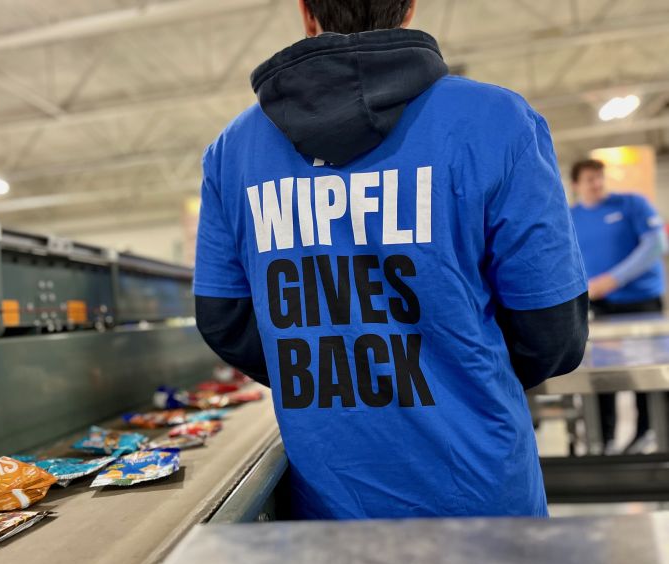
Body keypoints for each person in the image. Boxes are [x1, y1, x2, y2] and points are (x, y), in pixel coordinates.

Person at [194, 0, 588, 519]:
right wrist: (456, 366)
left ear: (307, 12)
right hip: (480, 491)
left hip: (333, 499)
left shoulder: (234, 151)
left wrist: (327, 367)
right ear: (409, 8)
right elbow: (554, 332)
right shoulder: (499, 121)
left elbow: (224, 319)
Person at [570, 158, 667, 454]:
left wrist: (613, 279)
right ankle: (605, 438)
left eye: (600, 177)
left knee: (649, 372)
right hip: (599, 307)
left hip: (641, 303)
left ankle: (650, 432)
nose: (597, 183)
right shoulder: (570, 216)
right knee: (600, 374)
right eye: (589, 179)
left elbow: (655, 245)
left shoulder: (631, 204)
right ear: (576, 185)